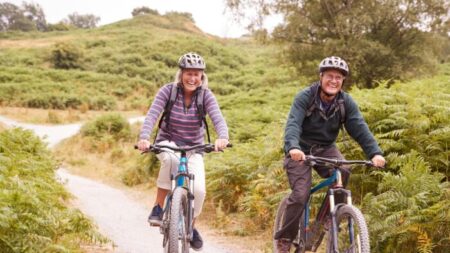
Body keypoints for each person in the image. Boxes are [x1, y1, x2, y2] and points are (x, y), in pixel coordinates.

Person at [274, 56, 386, 252]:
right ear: (321, 77)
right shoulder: (305, 97)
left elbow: (360, 128)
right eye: (329, 76)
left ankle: (327, 218)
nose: (334, 81)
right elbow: (293, 124)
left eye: (338, 78)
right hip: (300, 149)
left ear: (342, 81)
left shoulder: (345, 102)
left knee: (344, 170)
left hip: (326, 147)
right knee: (301, 194)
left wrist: (375, 153)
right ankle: (284, 239)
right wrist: (293, 147)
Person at [137, 52, 229, 251]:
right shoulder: (167, 91)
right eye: (188, 73)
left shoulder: (206, 95)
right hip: (168, 142)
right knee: (171, 161)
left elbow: (217, 118)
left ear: (202, 77)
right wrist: (144, 138)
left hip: (194, 147)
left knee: (199, 190)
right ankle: (159, 206)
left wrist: (222, 137)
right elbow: (152, 115)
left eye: (197, 74)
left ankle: (191, 226)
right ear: (181, 74)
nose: (192, 78)